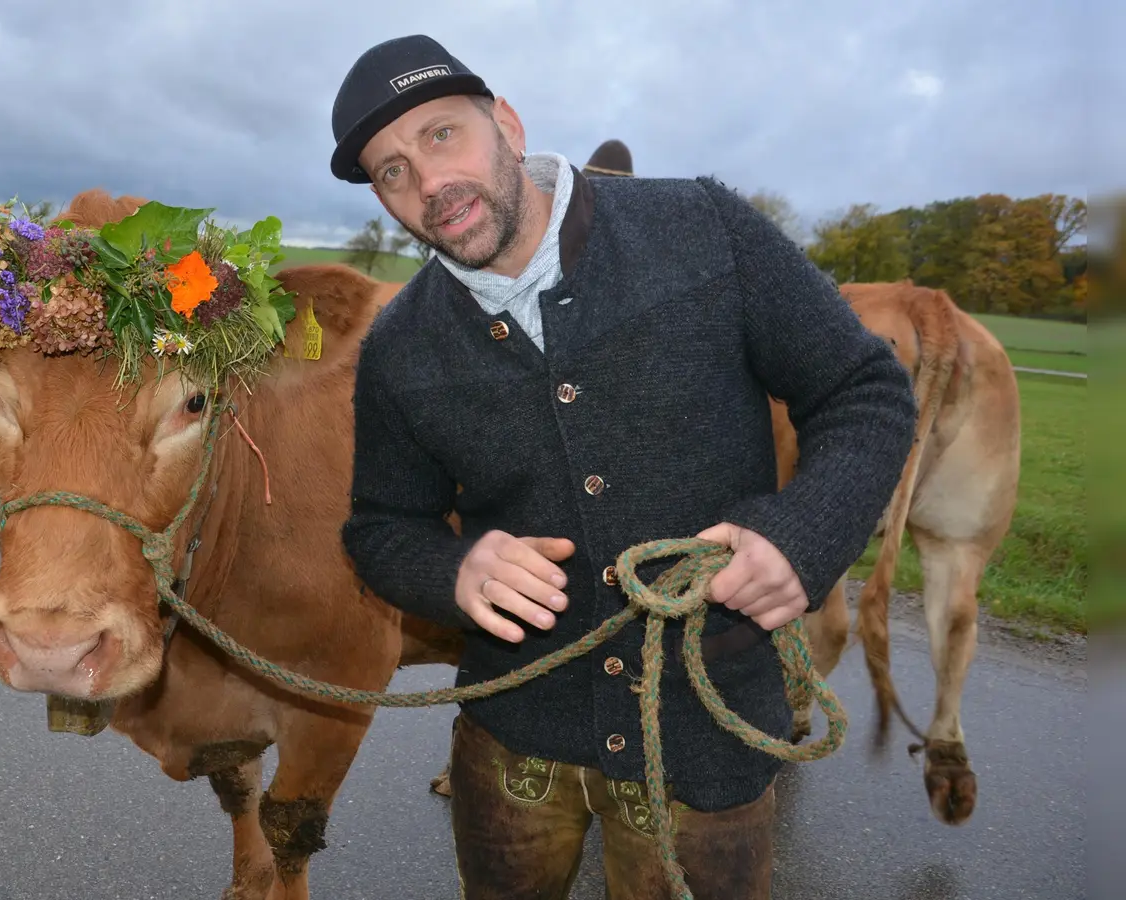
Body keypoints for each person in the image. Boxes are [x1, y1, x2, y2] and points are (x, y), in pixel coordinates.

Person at [328, 35, 917, 899]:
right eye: (392, 171)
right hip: (510, 746)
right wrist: (454, 571)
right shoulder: (398, 347)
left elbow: (866, 390)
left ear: (507, 125)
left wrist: (800, 534)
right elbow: (382, 527)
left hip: (707, 741)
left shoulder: (703, 228)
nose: (428, 182)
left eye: (442, 135)